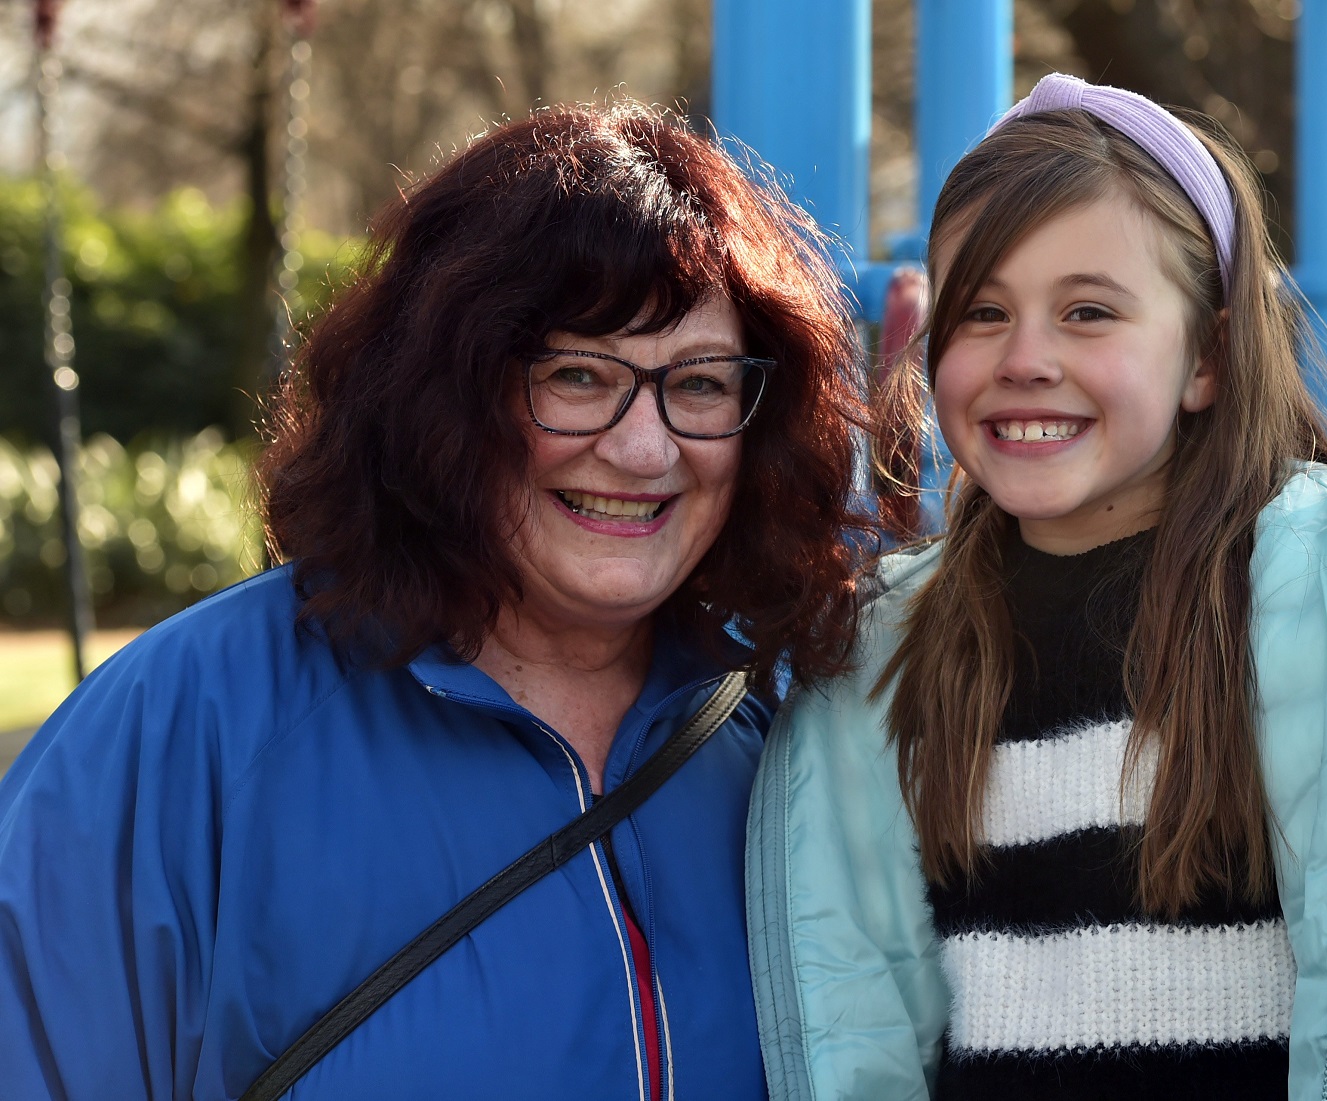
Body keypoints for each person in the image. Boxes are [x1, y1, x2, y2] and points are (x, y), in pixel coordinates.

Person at [0, 101, 873, 1100]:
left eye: (703, 384)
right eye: (578, 375)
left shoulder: (785, 741)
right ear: (441, 397)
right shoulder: (184, 734)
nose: (645, 450)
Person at [746, 75, 1327, 1100]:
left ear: (1209, 356)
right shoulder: (884, 657)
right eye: (981, 314)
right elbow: (867, 1029)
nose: (1025, 359)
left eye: (1088, 312)